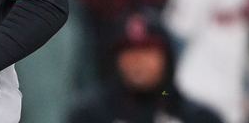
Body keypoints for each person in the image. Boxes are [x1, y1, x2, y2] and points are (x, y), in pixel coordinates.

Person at [66, 7, 223, 123]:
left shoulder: (199, 118)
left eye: (147, 51)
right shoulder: (89, 116)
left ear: (166, 58)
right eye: (129, 52)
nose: (138, 61)